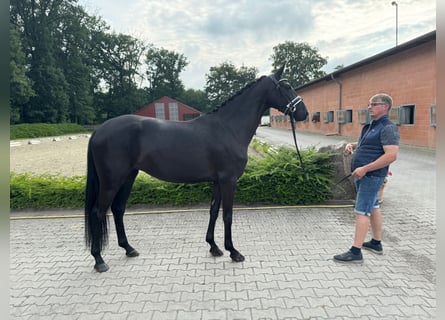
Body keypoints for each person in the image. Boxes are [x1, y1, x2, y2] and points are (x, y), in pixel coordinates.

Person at [334, 93, 400, 263]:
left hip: (372, 176)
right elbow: (368, 144)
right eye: (369, 104)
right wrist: (352, 145)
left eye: (374, 104)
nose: (369, 107)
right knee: (374, 206)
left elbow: (391, 155)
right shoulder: (372, 126)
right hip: (363, 175)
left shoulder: (388, 127)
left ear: (384, 107)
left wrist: (365, 168)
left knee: (362, 210)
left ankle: (355, 252)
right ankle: (376, 243)